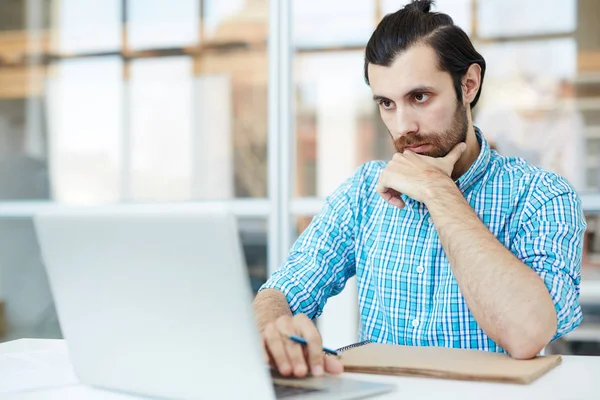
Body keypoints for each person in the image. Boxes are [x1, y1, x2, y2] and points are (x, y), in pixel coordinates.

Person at [253, 0, 586, 378]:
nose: (402, 126)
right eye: (386, 103)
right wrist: (272, 331)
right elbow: (281, 292)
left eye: (420, 97)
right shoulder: (363, 191)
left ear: (469, 84)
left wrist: (437, 189)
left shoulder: (542, 195)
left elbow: (527, 333)